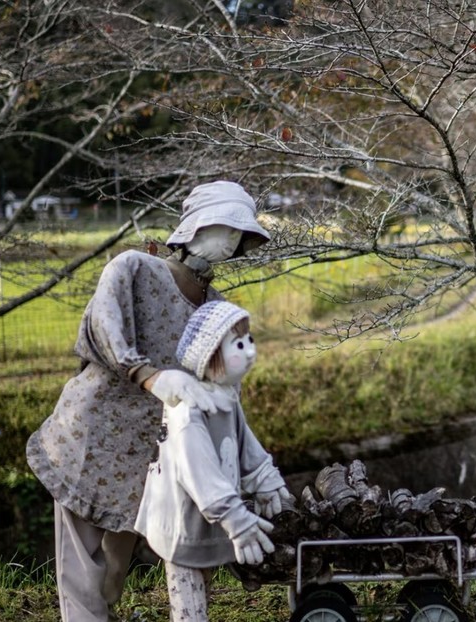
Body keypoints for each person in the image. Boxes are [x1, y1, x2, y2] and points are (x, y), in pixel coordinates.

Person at [26, 181, 272, 622]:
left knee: (115, 570)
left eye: (241, 234)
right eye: (227, 227)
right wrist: (149, 374)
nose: (233, 241)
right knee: (81, 564)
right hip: (93, 433)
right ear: (195, 226)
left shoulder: (216, 309)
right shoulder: (135, 268)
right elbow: (104, 323)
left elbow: (221, 392)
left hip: (151, 453)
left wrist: (255, 470)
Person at [135, 300, 291, 622]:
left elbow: (243, 440)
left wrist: (263, 476)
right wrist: (236, 518)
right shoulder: (188, 411)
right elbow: (200, 473)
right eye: (238, 344)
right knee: (189, 598)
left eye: (249, 341)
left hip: (206, 520)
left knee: (202, 586)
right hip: (183, 523)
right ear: (210, 355)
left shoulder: (226, 397)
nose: (249, 351)